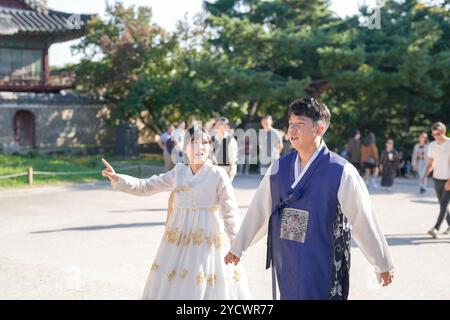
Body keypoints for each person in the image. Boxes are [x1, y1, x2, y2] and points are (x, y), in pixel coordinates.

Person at [224, 98, 394, 300]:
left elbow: (362, 218)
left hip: (322, 257)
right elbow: (259, 210)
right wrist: (238, 246)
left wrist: (382, 262)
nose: (292, 130)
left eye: (300, 124)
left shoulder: (340, 171)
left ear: (319, 129)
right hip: (287, 258)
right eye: (290, 124)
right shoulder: (279, 167)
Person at [101, 127, 251, 299]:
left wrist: (236, 246)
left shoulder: (218, 175)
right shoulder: (179, 172)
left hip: (207, 240)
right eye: (194, 142)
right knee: (173, 282)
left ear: (210, 148)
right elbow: (146, 186)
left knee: (201, 282)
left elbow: (230, 213)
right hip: (177, 239)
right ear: (185, 147)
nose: (200, 147)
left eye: (205, 142)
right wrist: (118, 178)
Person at [420, 122, 450, 238]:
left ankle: (436, 228)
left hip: (448, 179)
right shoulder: (432, 145)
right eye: (433, 135)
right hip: (437, 179)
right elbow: (431, 162)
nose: (435, 137)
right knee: (443, 205)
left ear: (443, 132)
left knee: (443, 205)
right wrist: (424, 176)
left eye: (437, 134)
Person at [213, 117, 238, 181]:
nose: (217, 126)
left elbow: (233, 156)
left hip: (227, 168)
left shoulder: (231, 140)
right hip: (215, 168)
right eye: (217, 124)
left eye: (220, 125)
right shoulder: (214, 139)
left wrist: (231, 169)